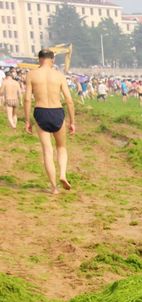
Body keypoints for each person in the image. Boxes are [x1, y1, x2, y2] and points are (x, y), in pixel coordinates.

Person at [24, 48, 75, 194]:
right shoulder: (59, 76)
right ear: (52, 60)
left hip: (41, 111)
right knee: (61, 147)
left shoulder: (31, 75)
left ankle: (54, 187)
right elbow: (69, 100)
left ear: (39, 59)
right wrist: (72, 122)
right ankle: (63, 174)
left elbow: (27, 99)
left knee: (47, 150)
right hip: (57, 111)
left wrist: (27, 121)